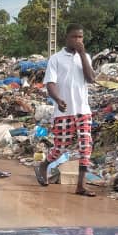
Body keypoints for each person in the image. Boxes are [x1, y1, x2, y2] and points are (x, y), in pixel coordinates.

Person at [39, 24, 96, 196]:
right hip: (63, 111)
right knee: (60, 148)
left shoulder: (85, 57)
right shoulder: (56, 59)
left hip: (83, 110)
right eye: (74, 37)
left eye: (80, 37)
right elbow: (50, 83)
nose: (78, 40)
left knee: (86, 146)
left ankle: (81, 186)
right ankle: (43, 165)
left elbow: (91, 78)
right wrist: (57, 99)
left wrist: (82, 56)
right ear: (67, 38)